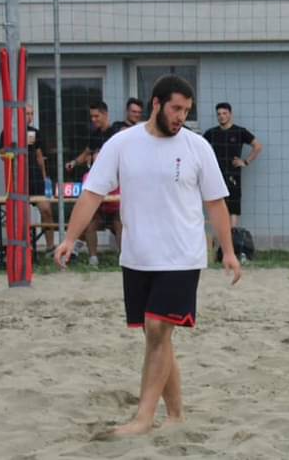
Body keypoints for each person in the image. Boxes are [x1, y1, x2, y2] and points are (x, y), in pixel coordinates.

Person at [54, 75, 241, 437]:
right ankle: (176, 415)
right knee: (157, 336)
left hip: (182, 256)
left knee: (157, 328)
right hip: (138, 256)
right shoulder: (122, 143)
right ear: (156, 104)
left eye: (186, 110)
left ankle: (143, 417)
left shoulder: (197, 147)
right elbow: (92, 193)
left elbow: (216, 203)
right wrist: (69, 238)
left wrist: (229, 252)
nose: (181, 116)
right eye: (176, 108)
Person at [0, 104, 55, 251]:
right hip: (18, 178)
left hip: (35, 177)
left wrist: (44, 178)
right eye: (27, 114)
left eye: (31, 114)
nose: (30, 117)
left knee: (46, 210)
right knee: (21, 215)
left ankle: (50, 247)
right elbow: (2, 154)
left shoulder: (34, 132)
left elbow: (39, 156)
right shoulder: (8, 132)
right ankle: (24, 248)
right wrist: (16, 144)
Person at [203, 102, 263, 227]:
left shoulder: (240, 131)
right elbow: (200, 149)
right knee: (218, 204)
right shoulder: (211, 133)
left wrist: (245, 162)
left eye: (224, 113)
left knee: (233, 206)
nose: (221, 116)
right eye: (219, 114)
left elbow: (257, 146)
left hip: (233, 175)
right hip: (216, 174)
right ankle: (221, 237)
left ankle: (233, 235)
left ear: (230, 114)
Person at [81, 148, 121, 268]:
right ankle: (93, 258)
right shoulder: (88, 176)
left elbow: (122, 194)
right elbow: (87, 194)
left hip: (115, 210)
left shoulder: (118, 175)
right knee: (90, 224)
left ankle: (123, 257)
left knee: (119, 223)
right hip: (99, 211)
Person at [65, 101, 115, 172]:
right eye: (91, 116)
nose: (93, 119)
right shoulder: (95, 134)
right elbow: (86, 153)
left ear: (105, 114)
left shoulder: (116, 134)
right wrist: (73, 163)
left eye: (96, 116)